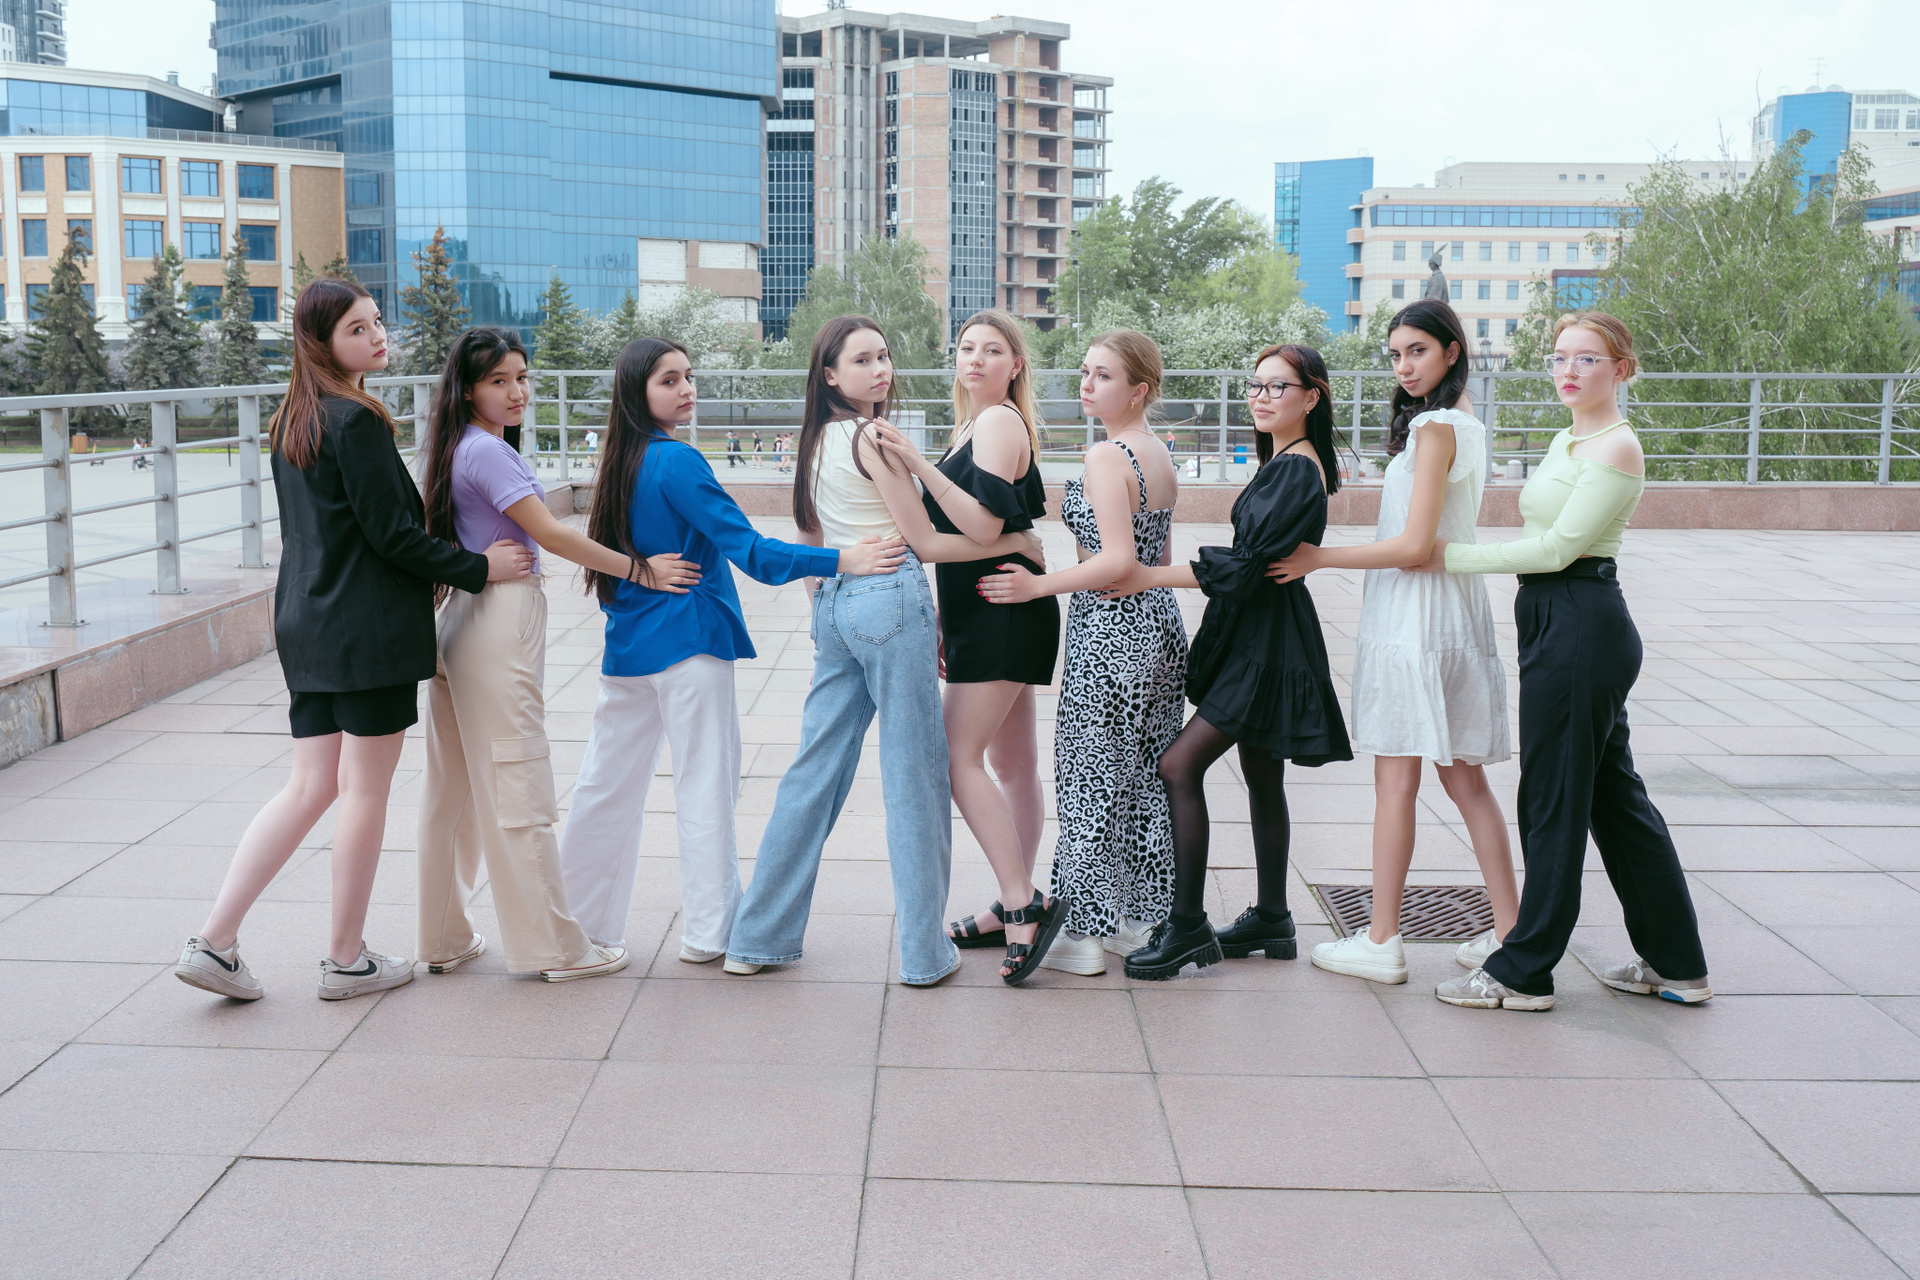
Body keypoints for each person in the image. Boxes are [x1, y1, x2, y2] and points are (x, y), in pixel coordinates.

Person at [172, 279, 533, 1002]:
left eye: (376, 323)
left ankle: (214, 941)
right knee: (363, 790)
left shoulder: (293, 418)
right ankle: (346, 959)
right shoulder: (356, 420)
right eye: (357, 329)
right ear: (322, 341)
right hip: (366, 629)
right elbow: (391, 536)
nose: (377, 336)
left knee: (309, 785)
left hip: (306, 621)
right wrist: (476, 567)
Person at [557, 338, 906, 965]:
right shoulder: (677, 461)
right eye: (669, 380)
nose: (686, 389)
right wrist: (842, 558)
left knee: (602, 789)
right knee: (704, 790)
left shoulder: (620, 459)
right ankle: (710, 934)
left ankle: (574, 931)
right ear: (638, 391)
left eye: (689, 376)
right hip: (689, 644)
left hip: (627, 646)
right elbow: (752, 552)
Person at [725, 315, 1047, 986]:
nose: (880, 370)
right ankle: (925, 956)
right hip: (889, 596)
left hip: (834, 600)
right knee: (914, 779)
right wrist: (1015, 542)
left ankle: (756, 938)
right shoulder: (873, 437)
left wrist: (826, 616)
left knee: (812, 774)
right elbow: (923, 543)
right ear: (830, 374)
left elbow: (811, 532)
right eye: (863, 360)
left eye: (884, 356)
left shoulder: (813, 438)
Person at [1421, 312, 1710, 1011]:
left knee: (1551, 797)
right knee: (1614, 801)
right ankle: (1677, 964)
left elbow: (1556, 551)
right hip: (1557, 620)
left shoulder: (1618, 447)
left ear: (1622, 369)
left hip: (1582, 621)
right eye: (1559, 358)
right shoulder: (1567, 438)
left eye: (1587, 359)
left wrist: (1449, 557)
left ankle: (1523, 971)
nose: (1569, 371)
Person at [414, 327, 697, 983]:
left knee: (452, 791)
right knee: (518, 782)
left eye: (521, 377)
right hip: (497, 620)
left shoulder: (458, 445)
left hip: (460, 619)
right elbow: (550, 534)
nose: (517, 392)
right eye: (499, 381)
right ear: (468, 390)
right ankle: (555, 949)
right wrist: (640, 569)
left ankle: (443, 936)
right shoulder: (490, 452)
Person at [1270, 301, 1517, 986]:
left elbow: (1413, 546)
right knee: (1464, 781)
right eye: (1396, 354)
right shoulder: (1461, 420)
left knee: (1398, 782)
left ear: (1451, 351)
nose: (1404, 367)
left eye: (1417, 351)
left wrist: (1318, 558)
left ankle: (1381, 941)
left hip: (1417, 620)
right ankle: (1510, 931)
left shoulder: (1436, 428)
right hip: (1447, 614)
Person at [1087, 343, 1352, 979]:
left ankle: (1186, 927)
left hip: (1267, 643)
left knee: (1178, 765)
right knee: (1262, 774)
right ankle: (1272, 917)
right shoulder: (1286, 460)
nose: (1261, 397)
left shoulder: (1297, 469)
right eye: (1257, 385)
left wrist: (1146, 575)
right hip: (1263, 631)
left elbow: (1243, 567)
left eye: (1278, 387)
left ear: (1311, 398)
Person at [978, 330, 1188, 976]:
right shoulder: (1158, 452)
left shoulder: (1107, 455)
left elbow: (1118, 559)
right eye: (1086, 372)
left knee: (1089, 780)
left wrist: (1037, 585)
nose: (1087, 384)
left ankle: (1084, 932)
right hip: (1159, 627)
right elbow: (1154, 554)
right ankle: (1140, 917)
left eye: (1103, 375)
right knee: (1145, 778)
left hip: (1111, 631)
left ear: (1139, 390)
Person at [869, 310, 1062, 981]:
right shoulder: (973, 426)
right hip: (987, 607)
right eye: (966, 347)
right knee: (1013, 764)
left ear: (1016, 365)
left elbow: (979, 527)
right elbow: (979, 532)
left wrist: (915, 459)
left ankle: (1022, 901)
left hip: (1002, 605)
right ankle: (1012, 900)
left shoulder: (1001, 421)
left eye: (992, 350)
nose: (975, 358)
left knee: (957, 759)